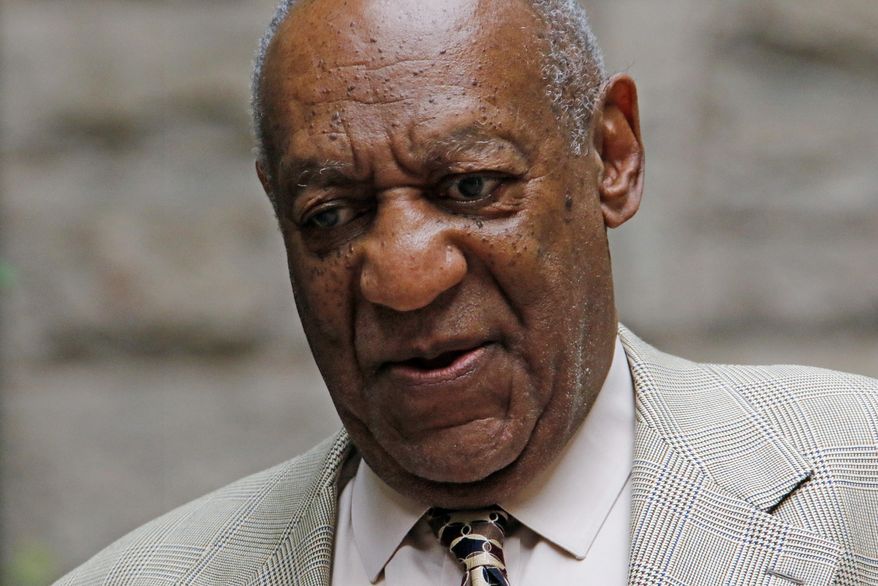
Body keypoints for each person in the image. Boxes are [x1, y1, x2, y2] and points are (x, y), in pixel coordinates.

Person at [56, 0, 878, 584]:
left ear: (612, 156)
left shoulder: (858, 489)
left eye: (471, 186)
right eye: (332, 212)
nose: (404, 279)